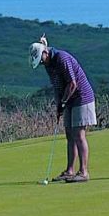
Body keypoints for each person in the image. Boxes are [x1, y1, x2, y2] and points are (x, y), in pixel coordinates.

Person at [30, 35, 96, 183]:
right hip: (69, 99)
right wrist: (59, 106)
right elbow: (57, 86)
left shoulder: (62, 58)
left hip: (82, 98)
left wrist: (64, 102)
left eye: (41, 60)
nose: (42, 63)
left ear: (45, 53)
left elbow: (72, 84)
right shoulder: (48, 64)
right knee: (69, 135)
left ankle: (84, 172)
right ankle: (69, 171)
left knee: (79, 135)